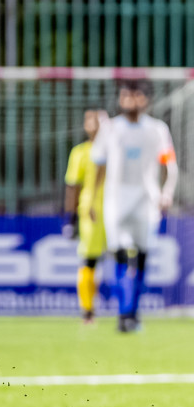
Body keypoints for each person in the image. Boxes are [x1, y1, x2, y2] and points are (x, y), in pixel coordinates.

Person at [90, 81, 178, 334]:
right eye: (126, 95)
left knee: (141, 256)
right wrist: (94, 200)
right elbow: (99, 164)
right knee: (118, 254)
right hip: (115, 200)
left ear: (146, 99)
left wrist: (166, 192)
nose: (130, 100)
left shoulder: (157, 129)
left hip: (146, 201)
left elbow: (168, 164)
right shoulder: (111, 129)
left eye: (135, 95)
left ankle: (133, 312)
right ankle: (123, 313)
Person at [63, 109, 108, 324]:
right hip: (90, 211)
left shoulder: (115, 149)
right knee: (89, 259)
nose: (95, 123)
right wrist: (70, 218)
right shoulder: (80, 152)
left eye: (99, 119)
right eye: (90, 119)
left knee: (124, 259)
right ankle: (87, 311)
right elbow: (73, 186)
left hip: (117, 210)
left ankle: (127, 310)